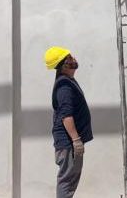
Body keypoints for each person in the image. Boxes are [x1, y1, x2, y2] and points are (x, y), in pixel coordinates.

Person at [45, 46, 92, 198]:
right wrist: (76, 140)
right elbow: (66, 115)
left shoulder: (67, 81)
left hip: (69, 144)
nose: (74, 59)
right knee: (67, 181)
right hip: (68, 144)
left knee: (69, 181)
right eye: (70, 58)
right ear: (64, 65)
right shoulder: (64, 86)